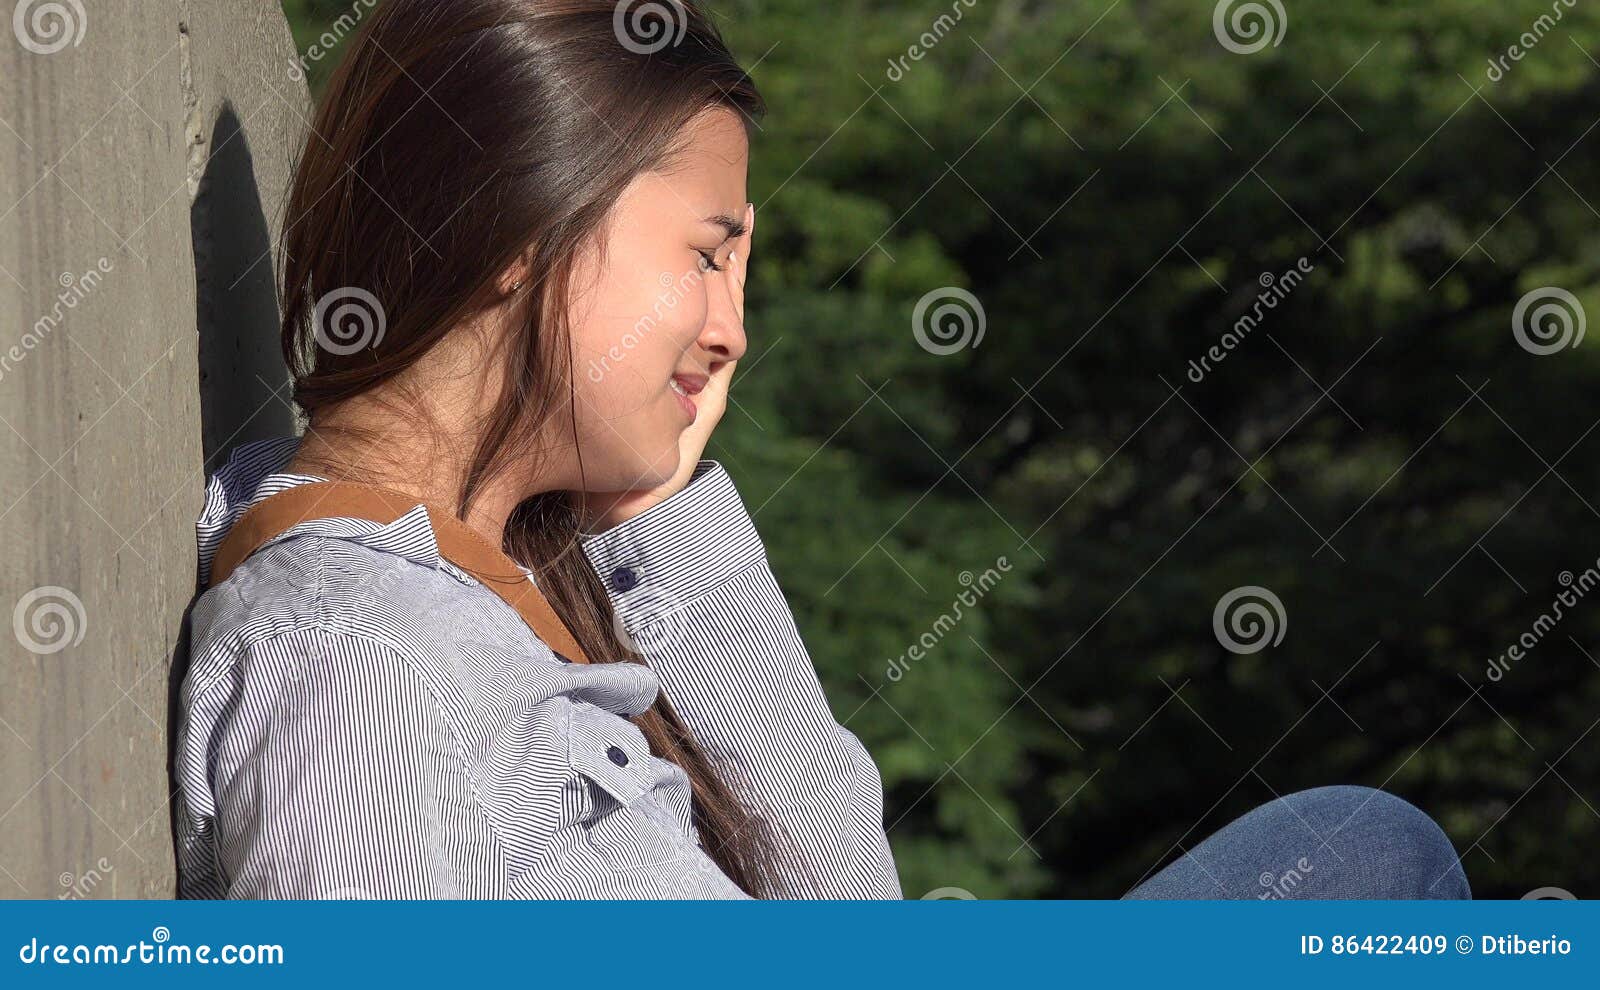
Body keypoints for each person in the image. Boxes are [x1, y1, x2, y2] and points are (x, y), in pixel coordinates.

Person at [173, 0, 1469, 900]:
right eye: (707, 252)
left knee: (1368, 853)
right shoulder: (353, 652)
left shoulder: (497, 589)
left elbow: (845, 909)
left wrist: (652, 510)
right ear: (528, 224)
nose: (735, 328)